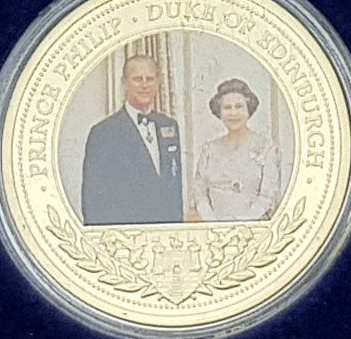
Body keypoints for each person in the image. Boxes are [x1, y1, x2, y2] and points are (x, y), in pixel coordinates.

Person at [80, 54, 184, 224]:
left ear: (158, 82)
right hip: (126, 230)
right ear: (124, 83)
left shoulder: (169, 126)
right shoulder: (103, 133)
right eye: (137, 79)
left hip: (164, 231)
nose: (144, 85)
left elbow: (174, 188)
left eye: (149, 79)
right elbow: (92, 199)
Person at [190, 78, 285, 222]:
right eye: (227, 108)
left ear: (248, 110)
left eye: (239, 106)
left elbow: (267, 197)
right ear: (219, 112)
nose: (233, 113)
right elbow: (200, 194)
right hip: (215, 227)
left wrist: (241, 223)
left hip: (254, 227)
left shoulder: (266, 148)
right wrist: (213, 222)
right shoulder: (208, 151)